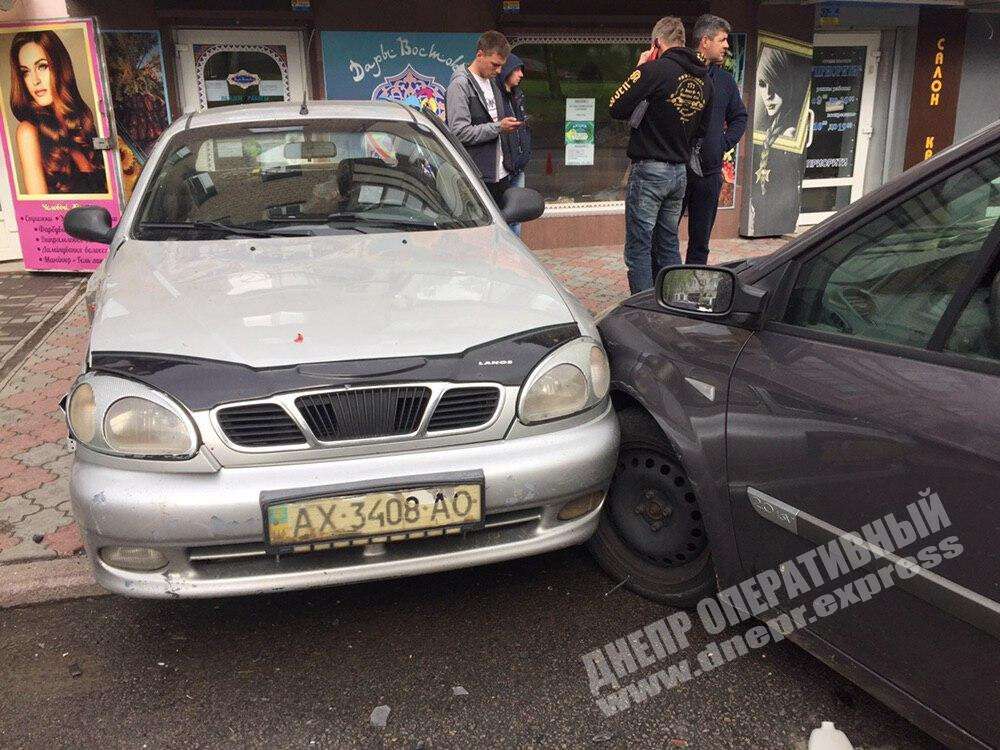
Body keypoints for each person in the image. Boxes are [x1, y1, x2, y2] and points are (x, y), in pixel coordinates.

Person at [609, 16, 713, 293]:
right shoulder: (705, 80)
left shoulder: (653, 70)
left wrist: (640, 68)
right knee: (668, 244)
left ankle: (643, 308)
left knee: (639, 247)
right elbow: (702, 130)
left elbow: (616, 106)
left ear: (656, 43)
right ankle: (673, 302)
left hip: (649, 171)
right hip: (679, 173)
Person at [682, 14, 747, 266]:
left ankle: (690, 294)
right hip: (677, 171)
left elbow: (739, 117)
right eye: (722, 40)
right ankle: (660, 290)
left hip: (709, 173)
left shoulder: (724, 80)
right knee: (663, 238)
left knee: (700, 244)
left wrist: (722, 143)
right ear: (705, 41)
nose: (727, 46)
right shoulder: (681, 74)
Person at [9, 30, 107, 195]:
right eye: (25, 72)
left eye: (42, 66)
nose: (35, 80)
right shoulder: (27, 131)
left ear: (60, 65)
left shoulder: (82, 118)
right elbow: (41, 210)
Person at [445, 31, 522, 207]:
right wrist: (498, 127)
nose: (499, 70)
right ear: (480, 55)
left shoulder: (492, 81)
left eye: (501, 66)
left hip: (501, 174)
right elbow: (459, 132)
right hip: (476, 178)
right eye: (495, 64)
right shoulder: (460, 85)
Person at [746, 45, 812, 236]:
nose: (767, 95)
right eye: (762, 84)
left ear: (788, 84)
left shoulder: (791, 131)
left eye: (774, 84)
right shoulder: (766, 125)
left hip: (778, 207)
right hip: (764, 205)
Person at [497, 52, 531, 236]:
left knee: (518, 215)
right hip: (503, 168)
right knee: (504, 214)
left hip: (518, 166)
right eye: (517, 70)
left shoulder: (517, 96)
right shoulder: (496, 98)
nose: (521, 74)